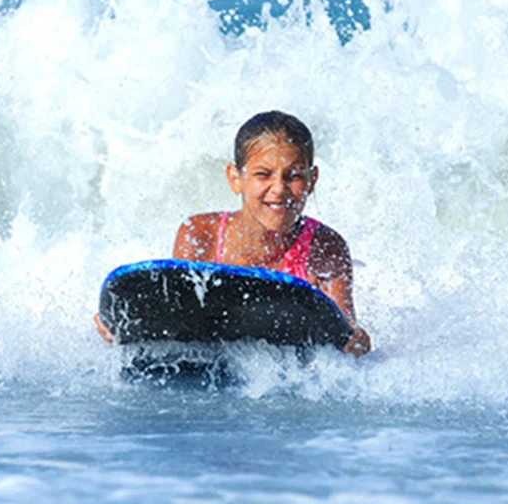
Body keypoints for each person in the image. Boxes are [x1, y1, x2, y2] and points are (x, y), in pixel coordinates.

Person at [96, 111, 370, 356]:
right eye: (263, 175)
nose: (279, 189)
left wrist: (356, 344)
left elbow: (346, 334)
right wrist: (123, 329)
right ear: (235, 178)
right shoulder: (200, 235)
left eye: (294, 176)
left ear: (312, 180)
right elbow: (177, 323)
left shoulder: (324, 247)